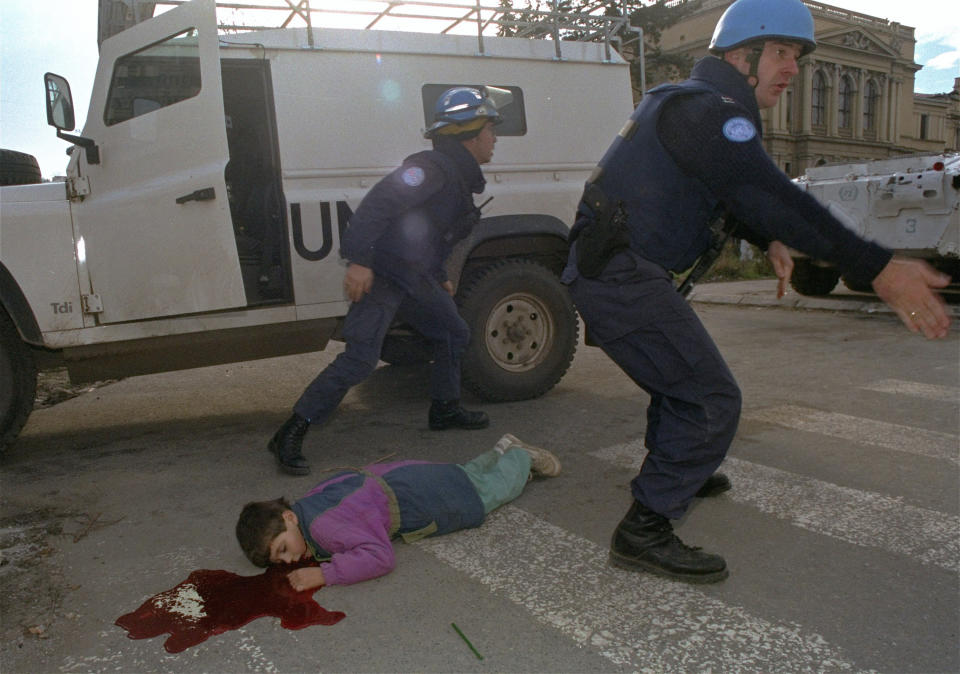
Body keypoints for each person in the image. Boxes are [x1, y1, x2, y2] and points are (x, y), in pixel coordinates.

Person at [561, 0, 952, 584]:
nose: (792, 68)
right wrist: (878, 267)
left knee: (677, 378)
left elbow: (727, 193)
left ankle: (683, 467)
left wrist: (765, 235)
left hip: (612, 272)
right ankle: (644, 529)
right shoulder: (713, 113)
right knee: (710, 397)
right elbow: (770, 192)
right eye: (781, 53)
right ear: (741, 56)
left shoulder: (693, 104)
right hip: (621, 278)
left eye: (796, 56)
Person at [269, 86, 510, 475]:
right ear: (470, 133)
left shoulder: (457, 177)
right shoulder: (430, 169)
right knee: (361, 359)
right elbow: (377, 206)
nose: (495, 138)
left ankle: (445, 409)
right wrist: (360, 262)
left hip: (415, 277)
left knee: (453, 333)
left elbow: (427, 233)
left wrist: (438, 275)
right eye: (490, 130)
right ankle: (290, 432)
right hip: (383, 274)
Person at [237, 434, 561, 590]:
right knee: (466, 474)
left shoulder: (322, 528)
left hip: (420, 497)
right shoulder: (307, 504)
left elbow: (380, 556)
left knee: (489, 493)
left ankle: (520, 458)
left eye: (284, 549)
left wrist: (324, 574)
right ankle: (500, 450)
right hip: (402, 476)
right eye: (280, 561)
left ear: (289, 518)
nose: (290, 560)